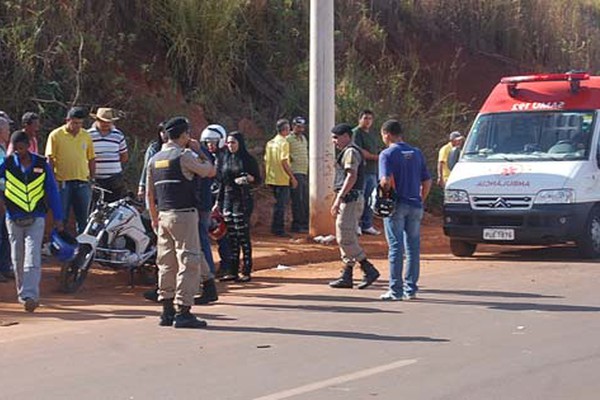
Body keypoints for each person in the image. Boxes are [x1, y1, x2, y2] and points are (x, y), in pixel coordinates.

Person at [146, 116, 216, 329]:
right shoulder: (184, 156)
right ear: (184, 135)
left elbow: (150, 193)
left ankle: (166, 311)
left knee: (166, 263)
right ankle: (183, 311)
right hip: (184, 215)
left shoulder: (154, 159)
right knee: (189, 261)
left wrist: (153, 218)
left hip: (163, 216)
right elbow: (210, 171)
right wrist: (200, 151)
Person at [0, 130, 64, 312]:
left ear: (29, 146)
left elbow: (52, 191)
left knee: (32, 256)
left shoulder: (42, 164)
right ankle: (22, 294)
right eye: (16, 149)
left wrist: (58, 218)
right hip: (13, 218)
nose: (19, 152)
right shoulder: (7, 164)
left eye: (22, 148)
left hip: (36, 217)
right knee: (17, 257)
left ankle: (31, 295)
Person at [378, 119, 432, 301]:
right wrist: (420, 199)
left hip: (397, 205)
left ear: (387, 134)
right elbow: (427, 181)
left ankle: (395, 290)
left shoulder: (387, 154)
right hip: (415, 204)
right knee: (413, 248)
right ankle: (411, 289)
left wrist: (384, 196)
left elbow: (385, 181)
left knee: (395, 247)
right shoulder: (416, 153)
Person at [328, 123, 380, 290]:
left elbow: (351, 176)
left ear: (346, 136)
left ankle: (368, 268)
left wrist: (339, 198)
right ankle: (347, 275)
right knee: (345, 234)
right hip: (349, 199)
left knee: (345, 237)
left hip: (350, 200)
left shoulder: (350, 152)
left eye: (336, 137)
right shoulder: (349, 151)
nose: (334, 141)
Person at [216, 131, 261, 282]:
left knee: (242, 235)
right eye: (228, 143)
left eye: (233, 142)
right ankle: (232, 271)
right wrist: (218, 202)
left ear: (240, 143)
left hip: (243, 198)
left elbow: (258, 180)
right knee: (231, 237)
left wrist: (249, 178)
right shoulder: (225, 159)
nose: (230, 146)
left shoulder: (247, 159)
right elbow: (222, 183)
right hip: (228, 198)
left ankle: (246, 270)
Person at [45, 107, 96, 234]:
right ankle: (60, 246)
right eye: (74, 123)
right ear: (67, 120)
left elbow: (91, 158)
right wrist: (52, 180)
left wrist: (92, 178)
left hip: (83, 182)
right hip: (63, 182)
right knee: (61, 216)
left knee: (84, 217)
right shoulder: (56, 135)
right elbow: (49, 159)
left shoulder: (86, 135)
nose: (77, 126)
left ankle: (82, 247)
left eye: (80, 123)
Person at [199, 124, 232, 278]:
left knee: (223, 236)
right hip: (210, 199)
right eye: (207, 142)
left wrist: (219, 203)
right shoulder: (206, 157)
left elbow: (224, 182)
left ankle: (227, 265)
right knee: (213, 233)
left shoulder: (225, 158)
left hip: (223, 200)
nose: (210, 145)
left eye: (213, 141)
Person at [264, 118, 297, 237]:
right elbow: (284, 161)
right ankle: (279, 229)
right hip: (282, 178)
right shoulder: (284, 143)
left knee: (278, 204)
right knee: (281, 205)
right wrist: (292, 177)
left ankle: (275, 227)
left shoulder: (270, 143)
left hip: (272, 178)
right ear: (285, 130)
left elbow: (266, 161)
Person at [88, 107, 129, 203]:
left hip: (114, 179)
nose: (105, 124)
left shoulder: (118, 135)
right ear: (97, 120)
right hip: (95, 180)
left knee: (114, 208)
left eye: (108, 122)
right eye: (103, 121)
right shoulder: (88, 135)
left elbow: (124, 156)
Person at [353, 109, 383, 235]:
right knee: (360, 199)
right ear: (360, 119)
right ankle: (356, 225)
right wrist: (376, 157)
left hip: (373, 171)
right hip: (362, 171)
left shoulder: (371, 135)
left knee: (371, 199)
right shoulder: (356, 133)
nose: (367, 121)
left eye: (370, 119)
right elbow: (359, 151)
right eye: (365, 118)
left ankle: (367, 224)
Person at [287, 116, 309, 233]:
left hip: (304, 172)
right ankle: (297, 224)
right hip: (295, 172)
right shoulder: (288, 139)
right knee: (297, 199)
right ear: (293, 126)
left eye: (302, 127)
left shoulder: (304, 139)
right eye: (298, 126)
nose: (300, 129)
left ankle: (305, 223)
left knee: (305, 199)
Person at [137, 122, 168, 202]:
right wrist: (142, 186)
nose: (165, 135)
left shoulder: (180, 148)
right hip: (155, 185)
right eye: (163, 132)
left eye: (167, 132)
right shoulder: (154, 148)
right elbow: (147, 167)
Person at [0, 116, 14, 282]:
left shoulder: (4, 149)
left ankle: (4, 268)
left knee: (5, 233)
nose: (9, 132)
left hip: (6, 195)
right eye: (7, 129)